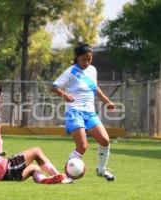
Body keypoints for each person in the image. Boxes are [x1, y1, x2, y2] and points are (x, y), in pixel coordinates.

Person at [51, 43, 116, 181]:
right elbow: (54, 87)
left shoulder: (92, 70)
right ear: (77, 57)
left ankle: (101, 170)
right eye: (83, 59)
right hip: (74, 112)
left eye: (89, 59)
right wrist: (65, 95)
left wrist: (107, 102)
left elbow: (95, 88)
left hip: (90, 113)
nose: (86, 62)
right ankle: (68, 176)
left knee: (105, 141)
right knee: (82, 146)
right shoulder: (71, 71)